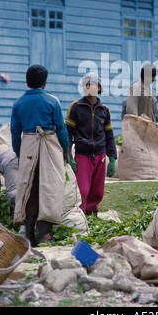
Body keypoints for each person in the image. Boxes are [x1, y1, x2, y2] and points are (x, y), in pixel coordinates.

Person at [11, 65, 70, 246]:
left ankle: (29, 234)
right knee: (49, 186)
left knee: (29, 186)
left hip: (28, 147)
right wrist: (66, 150)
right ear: (44, 82)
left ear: (27, 81)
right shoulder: (52, 101)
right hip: (49, 147)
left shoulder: (19, 102)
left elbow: (15, 133)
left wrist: (20, 153)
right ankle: (46, 233)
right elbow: (61, 128)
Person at [66, 72, 117, 217]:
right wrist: (68, 155)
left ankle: (92, 214)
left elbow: (109, 136)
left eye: (91, 84)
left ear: (99, 88)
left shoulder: (104, 110)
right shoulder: (75, 107)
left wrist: (112, 158)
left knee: (98, 191)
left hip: (100, 155)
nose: (88, 87)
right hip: (82, 154)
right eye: (85, 85)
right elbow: (68, 133)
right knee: (83, 190)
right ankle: (80, 216)